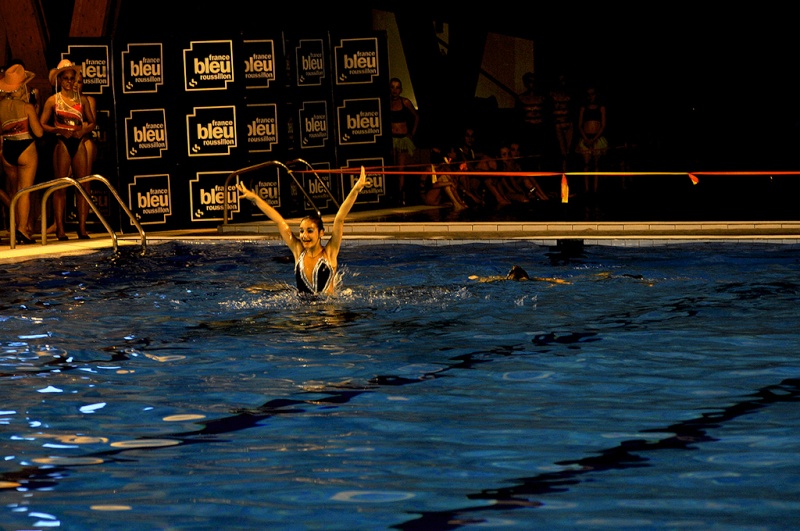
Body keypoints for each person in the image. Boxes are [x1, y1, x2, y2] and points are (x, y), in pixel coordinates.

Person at [236, 166, 368, 295]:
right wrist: (255, 199)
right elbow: (279, 221)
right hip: (302, 312)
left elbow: (339, 218)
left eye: (310, 231)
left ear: (321, 233)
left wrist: (356, 189)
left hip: (328, 311)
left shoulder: (329, 253)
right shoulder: (298, 252)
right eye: (301, 231)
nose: (304, 236)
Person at [39, 59, 96, 240]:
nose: (70, 82)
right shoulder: (52, 101)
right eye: (66, 79)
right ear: (59, 80)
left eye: (72, 78)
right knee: (60, 187)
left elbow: (92, 122)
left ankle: (82, 227)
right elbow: (41, 124)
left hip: (78, 144)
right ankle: (60, 229)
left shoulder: (83, 100)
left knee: (83, 186)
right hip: (62, 143)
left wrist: (83, 131)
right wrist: (57, 130)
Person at [0, 64, 44, 244]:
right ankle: (22, 229)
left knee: (13, 190)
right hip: (25, 147)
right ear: (20, 87)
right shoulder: (26, 107)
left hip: (7, 149)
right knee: (24, 190)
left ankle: (15, 226)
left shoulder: (0, 106)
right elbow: (39, 132)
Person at [389, 77, 420, 206]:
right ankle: (393, 195)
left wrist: (412, 134)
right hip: (391, 139)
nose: (395, 90)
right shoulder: (387, 102)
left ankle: (402, 196)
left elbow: (416, 116)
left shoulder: (405, 102)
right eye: (392, 87)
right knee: (391, 168)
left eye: (397, 87)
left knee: (400, 169)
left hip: (402, 139)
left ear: (401, 90)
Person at [575, 85, 608, 193]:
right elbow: (579, 125)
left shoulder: (601, 107)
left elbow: (603, 125)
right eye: (588, 94)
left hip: (597, 138)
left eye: (592, 94)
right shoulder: (583, 108)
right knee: (586, 164)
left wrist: (594, 139)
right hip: (586, 138)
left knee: (596, 164)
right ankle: (587, 188)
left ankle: (595, 188)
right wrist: (586, 138)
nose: (590, 97)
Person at [515, 72, 548, 171]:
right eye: (529, 82)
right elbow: (518, 117)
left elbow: (546, 114)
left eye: (533, 81)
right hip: (528, 130)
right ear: (525, 83)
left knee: (540, 154)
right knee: (529, 155)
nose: (532, 84)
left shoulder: (542, 98)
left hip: (540, 129)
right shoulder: (521, 98)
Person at [421, 146, 468, 212]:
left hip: (438, 199)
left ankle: (459, 202)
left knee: (446, 178)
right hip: (429, 199)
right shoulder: (429, 169)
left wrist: (458, 174)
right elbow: (430, 185)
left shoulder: (444, 167)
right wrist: (450, 182)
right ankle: (456, 204)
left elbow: (453, 179)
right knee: (444, 178)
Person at [550, 73, 575, 171]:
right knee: (563, 152)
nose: (562, 83)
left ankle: (568, 173)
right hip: (558, 124)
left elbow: (572, 109)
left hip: (568, 123)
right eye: (560, 80)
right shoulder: (552, 94)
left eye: (564, 80)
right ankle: (563, 173)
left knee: (568, 152)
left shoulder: (570, 94)